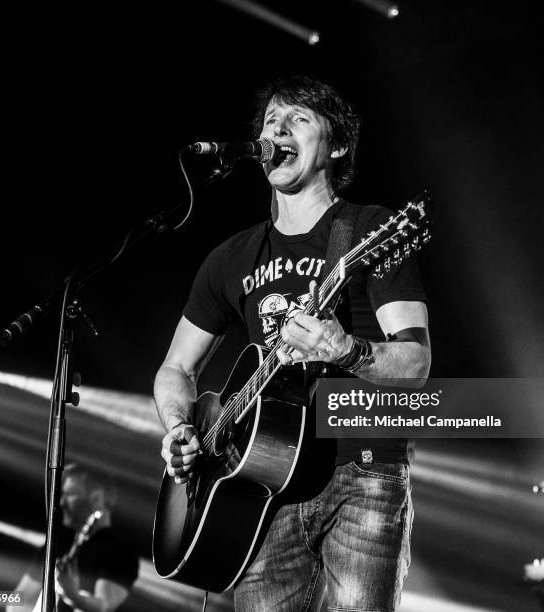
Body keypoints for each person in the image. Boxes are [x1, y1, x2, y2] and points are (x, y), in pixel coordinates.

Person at [155, 75, 431, 611]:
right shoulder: (230, 258)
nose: (276, 129)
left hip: (361, 470)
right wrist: (180, 426)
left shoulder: (371, 230)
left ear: (338, 145)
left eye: (298, 119)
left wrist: (345, 350)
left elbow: (416, 364)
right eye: (269, 122)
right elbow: (176, 370)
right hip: (259, 489)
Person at [7, 463, 139, 612]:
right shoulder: (55, 543)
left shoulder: (120, 552)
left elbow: (104, 606)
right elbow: (18, 602)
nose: (61, 502)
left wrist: (73, 595)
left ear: (96, 498)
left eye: (70, 493)